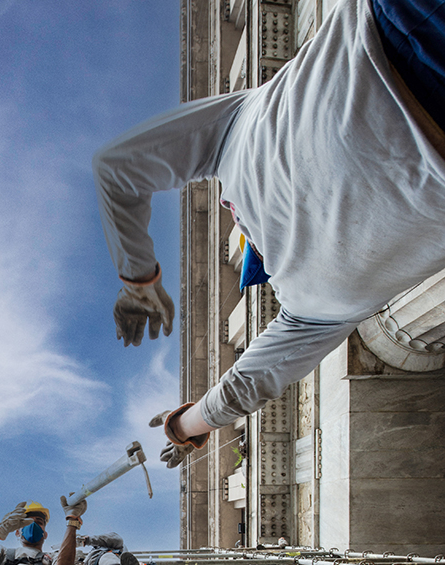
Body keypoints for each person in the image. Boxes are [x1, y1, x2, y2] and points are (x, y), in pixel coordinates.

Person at [92, 0, 445, 466]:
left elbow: (248, 386)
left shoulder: (308, 312)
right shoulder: (232, 141)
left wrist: (186, 426)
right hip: (400, 29)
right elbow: (117, 169)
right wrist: (138, 282)